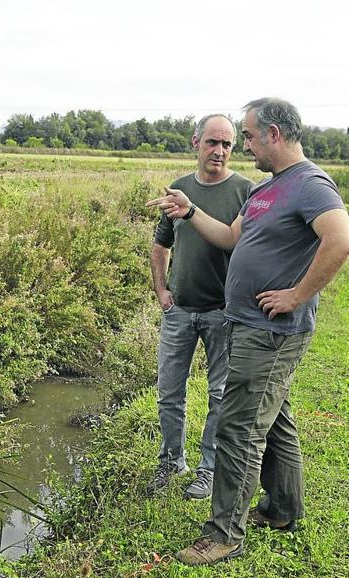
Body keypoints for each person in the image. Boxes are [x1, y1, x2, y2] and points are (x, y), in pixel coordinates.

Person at [146, 97, 349, 565]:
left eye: (250, 136)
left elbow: (339, 238)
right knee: (274, 419)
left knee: (240, 429)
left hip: (271, 331)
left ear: (274, 134)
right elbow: (231, 237)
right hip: (246, 326)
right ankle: (282, 509)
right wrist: (190, 210)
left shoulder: (310, 184)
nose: (245, 145)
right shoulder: (267, 189)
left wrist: (297, 295)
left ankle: (223, 534)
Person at [146, 114, 253, 499]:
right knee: (168, 392)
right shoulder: (177, 189)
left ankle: (208, 468)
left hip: (223, 312)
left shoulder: (246, 191)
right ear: (196, 143)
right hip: (180, 311)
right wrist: (162, 291)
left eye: (227, 144)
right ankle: (171, 461)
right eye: (212, 142)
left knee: (220, 394)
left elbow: (245, 246)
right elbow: (161, 244)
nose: (220, 151)